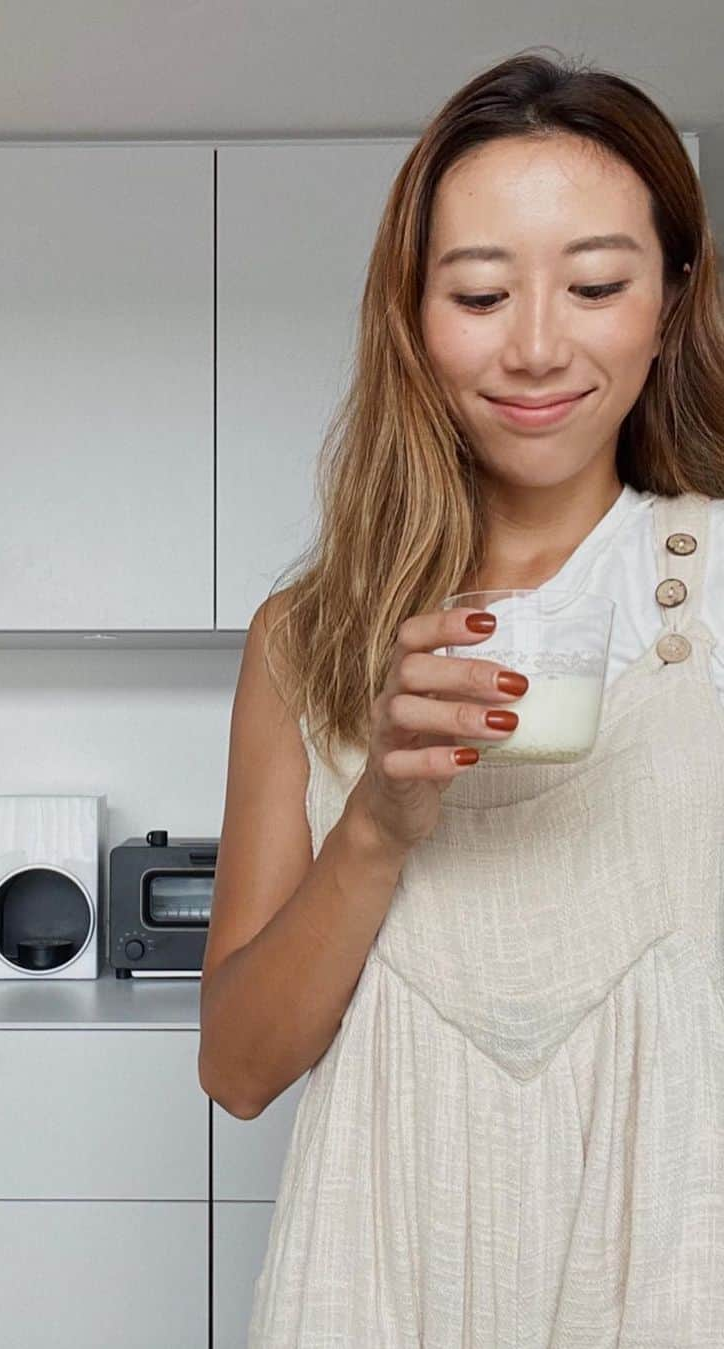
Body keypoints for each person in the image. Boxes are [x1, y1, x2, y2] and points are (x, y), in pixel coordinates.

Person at [198, 47, 724, 1347]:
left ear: (669, 302)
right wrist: (375, 821)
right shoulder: (307, 641)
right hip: (379, 1280)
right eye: (481, 291)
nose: (537, 345)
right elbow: (240, 1069)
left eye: (596, 283)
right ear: (411, 315)